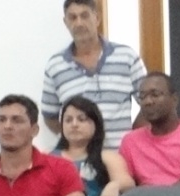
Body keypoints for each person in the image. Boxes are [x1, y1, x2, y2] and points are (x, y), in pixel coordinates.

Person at [41, 0, 148, 149]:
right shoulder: (55, 66)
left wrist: (132, 138)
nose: (79, 23)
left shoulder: (127, 57)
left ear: (97, 18)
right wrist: (74, 142)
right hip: (79, 160)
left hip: (122, 156)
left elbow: (149, 103)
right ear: (65, 23)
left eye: (84, 16)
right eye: (73, 17)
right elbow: (50, 116)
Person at [52, 95, 133, 196]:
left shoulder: (107, 157)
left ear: (96, 124)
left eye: (81, 119)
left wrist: (114, 185)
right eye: (68, 120)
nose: (74, 124)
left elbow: (128, 183)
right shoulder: (49, 158)